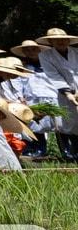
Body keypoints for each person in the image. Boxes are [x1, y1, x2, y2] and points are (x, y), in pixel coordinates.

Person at [36, 28, 78, 161]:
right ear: (50, 42)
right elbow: (53, 75)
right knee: (70, 123)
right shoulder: (45, 56)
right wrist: (68, 94)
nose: (61, 42)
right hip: (65, 94)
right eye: (56, 40)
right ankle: (72, 153)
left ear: (68, 40)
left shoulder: (76, 52)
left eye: (63, 39)